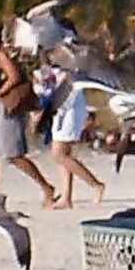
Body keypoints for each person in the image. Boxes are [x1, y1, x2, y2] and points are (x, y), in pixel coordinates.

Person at [0, 24, 58, 207]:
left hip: (6, 110)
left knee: (14, 154)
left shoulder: (1, 56)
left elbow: (15, 77)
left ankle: (46, 187)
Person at [48, 72, 106, 207]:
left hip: (68, 109)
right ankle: (66, 197)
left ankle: (95, 184)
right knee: (64, 154)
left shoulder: (67, 64)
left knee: (59, 154)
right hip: (62, 108)